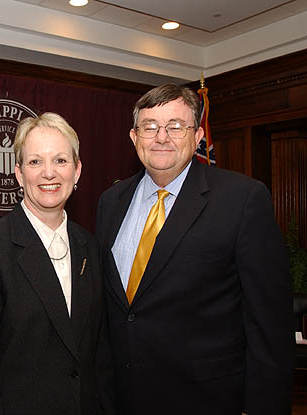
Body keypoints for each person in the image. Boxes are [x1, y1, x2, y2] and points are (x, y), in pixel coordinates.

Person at [95, 84, 294, 414]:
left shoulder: (242, 199)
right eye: (150, 127)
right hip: (122, 396)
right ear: (134, 137)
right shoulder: (110, 202)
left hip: (207, 398)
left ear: (198, 135)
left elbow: (269, 322)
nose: (162, 137)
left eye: (175, 126)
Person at [0, 112, 113, 415]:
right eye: (35, 162)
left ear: (77, 171)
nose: (48, 173)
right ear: (18, 173)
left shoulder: (90, 246)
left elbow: (99, 354)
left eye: (61, 161)